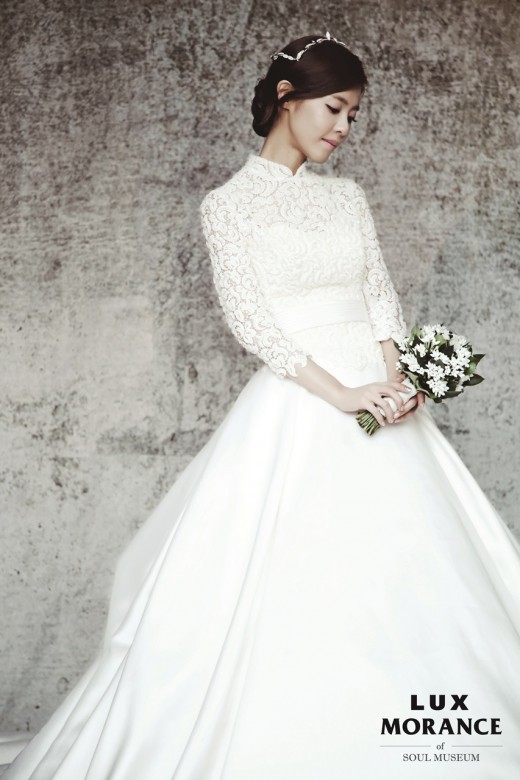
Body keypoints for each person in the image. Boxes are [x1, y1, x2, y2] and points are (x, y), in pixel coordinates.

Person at [4, 31, 520, 780]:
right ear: (287, 97)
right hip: (306, 402)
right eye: (334, 108)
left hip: (383, 400)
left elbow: (378, 295)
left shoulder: (347, 198)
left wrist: (398, 379)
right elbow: (253, 323)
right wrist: (345, 395)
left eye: (353, 115)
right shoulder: (229, 206)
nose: (343, 128)